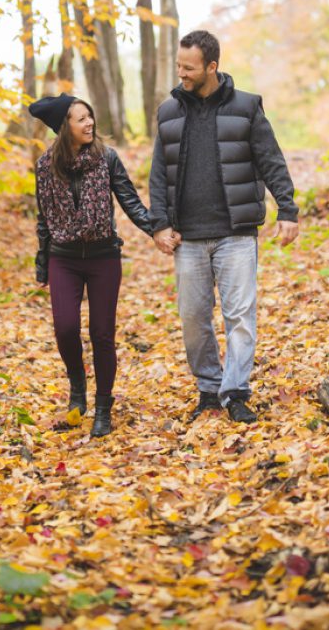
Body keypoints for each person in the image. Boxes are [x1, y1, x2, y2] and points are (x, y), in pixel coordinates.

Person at [149, 30, 299, 424]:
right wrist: (159, 224)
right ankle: (207, 390)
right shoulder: (169, 113)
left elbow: (271, 161)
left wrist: (288, 209)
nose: (181, 73)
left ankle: (235, 392)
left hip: (236, 233)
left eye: (189, 67)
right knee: (193, 319)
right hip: (189, 239)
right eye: (179, 65)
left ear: (211, 67)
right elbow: (158, 173)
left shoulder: (246, 108)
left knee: (240, 317)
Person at [31, 93, 153, 438]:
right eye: (80, 118)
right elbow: (44, 217)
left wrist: (155, 229)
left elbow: (129, 199)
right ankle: (77, 386)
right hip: (63, 257)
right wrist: (43, 265)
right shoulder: (44, 165)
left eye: (90, 116)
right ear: (64, 127)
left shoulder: (106, 158)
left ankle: (102, 407)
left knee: (102, 333)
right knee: (65, 328)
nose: (89, 123)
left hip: (103, 256)